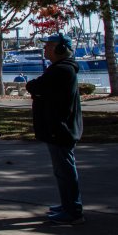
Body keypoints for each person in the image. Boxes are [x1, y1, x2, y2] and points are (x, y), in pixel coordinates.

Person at [26, 33, 85, 225]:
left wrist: (36, 89)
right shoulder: (59, 69)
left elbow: (36, 86)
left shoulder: (62, 70)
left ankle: (73, 209)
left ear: (61, 49)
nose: (45, 50)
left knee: (65, 170)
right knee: (61, 170)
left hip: (61, 129)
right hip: (58, 128)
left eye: (49, 46)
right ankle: (67, 204)